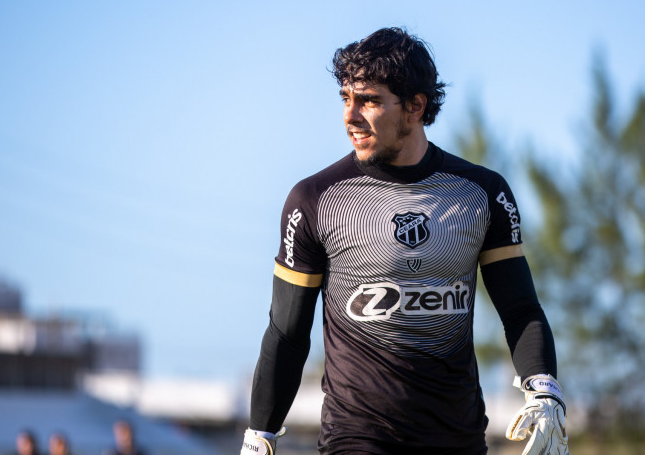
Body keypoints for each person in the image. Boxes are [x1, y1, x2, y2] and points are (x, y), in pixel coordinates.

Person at [241, 27, 569, 455]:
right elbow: (287, 333)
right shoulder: (314, 199)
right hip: (356, 439)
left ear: (415, 107)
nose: (350, 115)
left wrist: (543, 388)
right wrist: (258, 434)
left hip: (458, 440)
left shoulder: (483, 192)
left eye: (370, 101)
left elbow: (521, 309)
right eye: (346, 98)